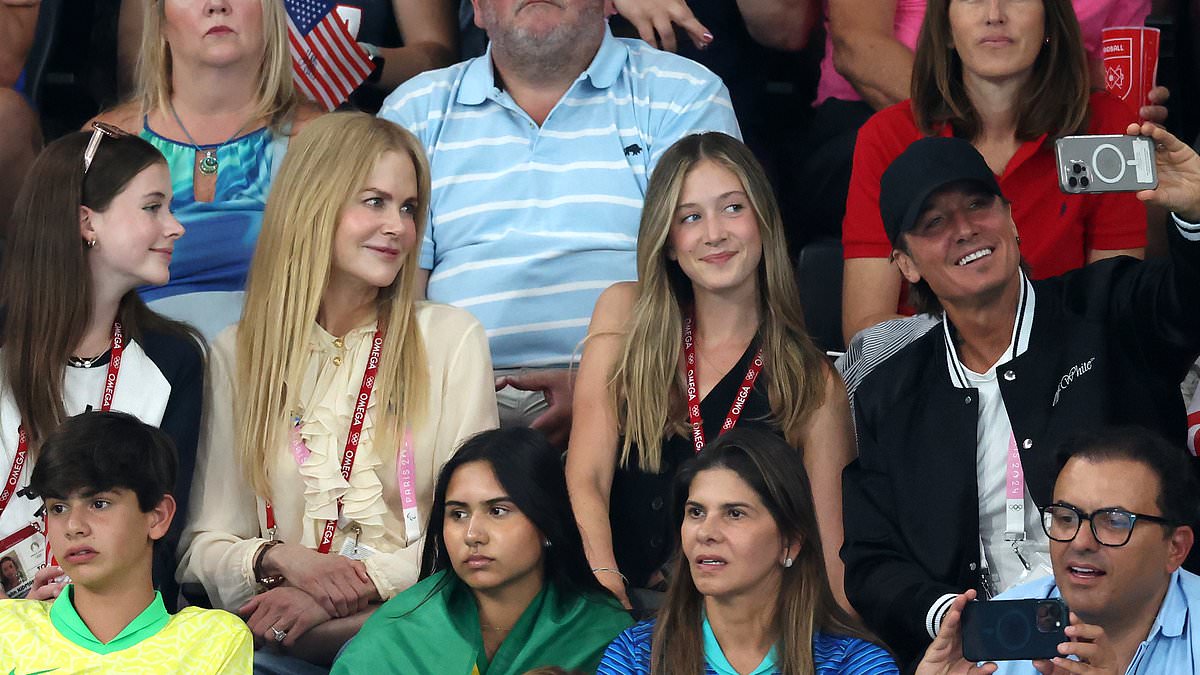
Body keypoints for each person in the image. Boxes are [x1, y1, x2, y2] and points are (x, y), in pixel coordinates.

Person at [841, 124, 1200, 667]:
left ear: (1011, 219)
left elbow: (1188, 303)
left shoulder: (1105, 307)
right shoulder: (890, 390)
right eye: (934, 222)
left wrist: (1196, 217)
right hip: (986, 657)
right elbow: (871, 560)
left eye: (977, 205)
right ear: (906, 264)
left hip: (1147, 638)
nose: (963, 230)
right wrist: (950, 618)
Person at [178, 112, 498, 668]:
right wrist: (285, 561)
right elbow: (201, 546)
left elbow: (476, 527)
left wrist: (337, 593)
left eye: (408, 208)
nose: (398, 226)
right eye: (373, 201)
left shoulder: (451, 338)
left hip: (410, 628)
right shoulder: (239, 352)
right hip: (272, 635)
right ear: (312, 207)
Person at [377, 0, 740, 447]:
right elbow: (395, 300)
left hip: (646, 405)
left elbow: (720, 282)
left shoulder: (682, 93)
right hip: (449, 411)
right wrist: (448, 404)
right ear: (477, 8)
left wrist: (608, 394)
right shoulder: (413, 110)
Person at [566, 132, 855, 610]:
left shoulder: (811, 381)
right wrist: (604, 583)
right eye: (691, 217)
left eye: (733, 208)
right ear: (669, 241)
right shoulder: (624, 313)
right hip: (620, 606)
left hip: (748, 624)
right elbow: (587, 478)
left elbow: (829, 562)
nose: (714, 234)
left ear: (764, 221)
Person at [841, 0, 1150, 345]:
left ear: (1050, 20)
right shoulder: (887, 135)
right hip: (929, 379)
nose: (994, 14)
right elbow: (865, 328)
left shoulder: (1107, 126)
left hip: (1067, 376)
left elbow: (1116, 308)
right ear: (945, 27)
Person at [0, 126, 204, 608]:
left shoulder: (173, 360)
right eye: (153, 207)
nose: (175, 226)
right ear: (87, 222)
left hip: (108, 630)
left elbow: (163, 536)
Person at [94, 0, 321, 339]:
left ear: (270, 12)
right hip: (135, 367)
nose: (217, 5)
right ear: (160, 21)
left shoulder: (321, 141)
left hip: (273, 364)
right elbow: (67, 288)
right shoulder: (107, 141)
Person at [333, 427, 632, 674]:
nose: (473, 535)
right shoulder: (399, 634)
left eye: (498, 511)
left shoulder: (604, 635)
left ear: (546, 522)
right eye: (458, 514)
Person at [597, 427, 896, 674]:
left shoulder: (854, 665)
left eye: (735, 514)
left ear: (790, 541)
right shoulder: (636, 657)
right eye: (696, 512)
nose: (706, 533)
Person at [919, 427, 1200, 675]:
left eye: (1114, 522)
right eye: (1066, 518)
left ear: (1175, 548)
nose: (1080, 542)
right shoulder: (1003, 629)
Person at [0, 411, 251, 672]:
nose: (74, 526)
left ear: (157, 516)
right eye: (58, 508)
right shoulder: (7, 631)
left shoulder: (212, 641)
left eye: (99, 504)